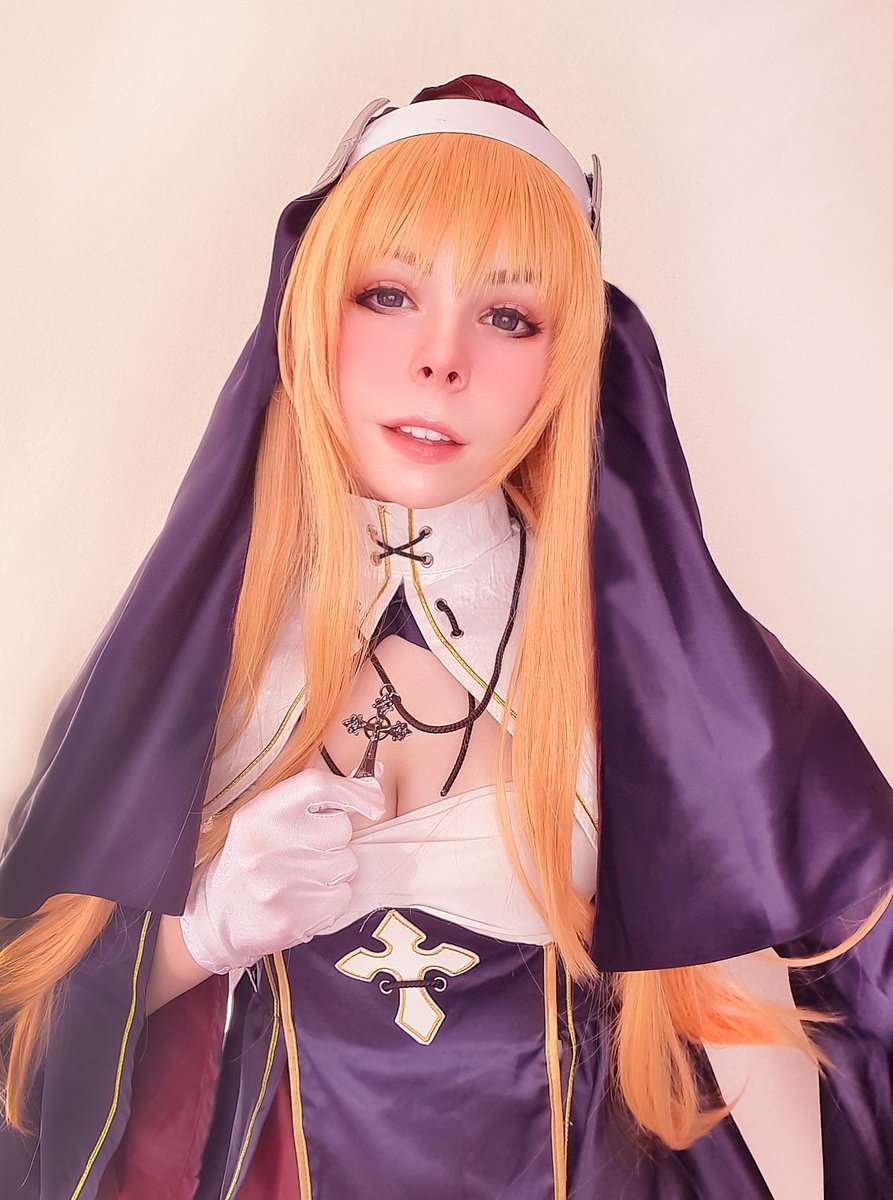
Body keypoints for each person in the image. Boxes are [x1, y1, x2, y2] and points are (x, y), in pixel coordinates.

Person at [0, 74, 891, 1200]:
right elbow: (22, 1022)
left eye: (507, 316)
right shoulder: (194, 664)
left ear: (568, 359)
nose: (440, 358)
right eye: (387, 293)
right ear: (309, 307)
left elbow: (840, 959)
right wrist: (197, 935)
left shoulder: (662, 670)